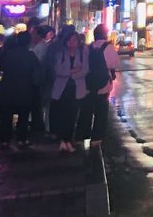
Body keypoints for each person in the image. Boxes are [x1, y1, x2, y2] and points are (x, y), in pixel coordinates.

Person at [0, 31, 41, 150]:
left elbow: (2, 66)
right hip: (25, 89)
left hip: (7, 88)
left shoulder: (7, 54)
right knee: (23, 116)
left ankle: (5, 141)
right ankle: (21, 139)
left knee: (6, 117)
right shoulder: (30, 56)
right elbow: (36, 74)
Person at [80, 25, 120, 148]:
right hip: (103, 86)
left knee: (86, 111)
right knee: (101, 113)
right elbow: (114, 64)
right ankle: (96, 138)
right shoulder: (108, 47)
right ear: (105, 34)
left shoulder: (88, 47)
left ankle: (82, 136)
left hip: (88, 85)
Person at [49, 25, 88, 153]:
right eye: (70, 40)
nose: (72, 43)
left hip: (76, 90)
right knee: (62, 115)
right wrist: (72, 71)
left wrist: (70, 72)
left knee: (72, 116)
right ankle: (62, 141)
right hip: (62, 89)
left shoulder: (82, 53)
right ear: (66, 42)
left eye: (75, 40)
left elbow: (85, 70)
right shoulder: (61, 54)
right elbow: (57, 70)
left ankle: (68, 140)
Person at [29, 25, 54, 137]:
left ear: (38, 35)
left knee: (42, 103)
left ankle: (42, 127)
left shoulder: (41, 47)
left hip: (40, 80)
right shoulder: (42, 46)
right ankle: (44, 126)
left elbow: (36, 63)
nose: (32, 35)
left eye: (34, 33)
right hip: (41, 79)